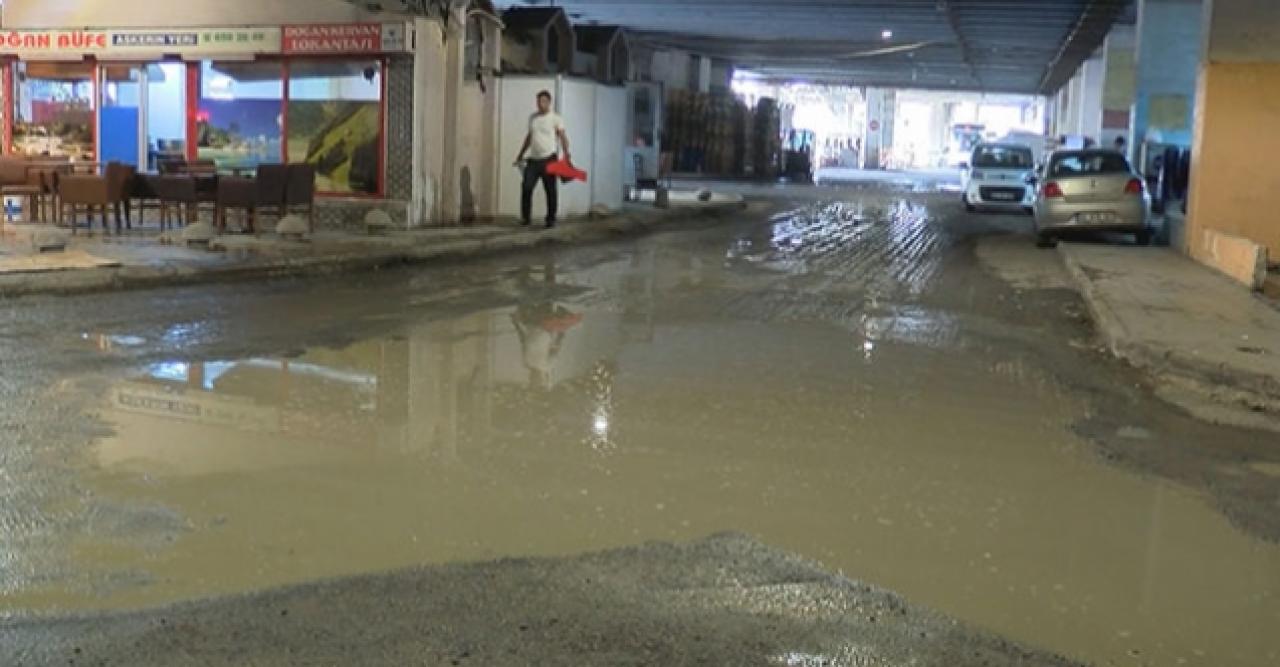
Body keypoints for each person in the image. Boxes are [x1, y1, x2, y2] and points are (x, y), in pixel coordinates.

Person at [514, 90, 570, 229]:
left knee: (550, 189)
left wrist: (566, 153)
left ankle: (551, 218)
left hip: (549, 158)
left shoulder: (555, 118)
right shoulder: (533, 118)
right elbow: (530, 137)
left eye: (544, 101)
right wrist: (521, 154)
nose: (541, 104)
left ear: (549, 102)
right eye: (539, 101)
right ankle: (526, 217)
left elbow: (562, 136)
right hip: (534, 159)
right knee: (526, 187)